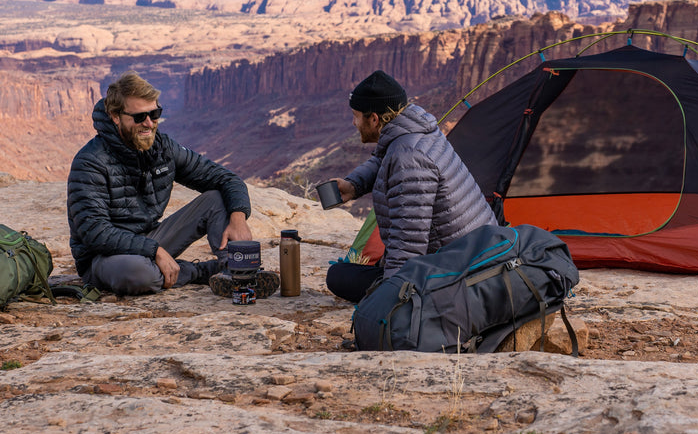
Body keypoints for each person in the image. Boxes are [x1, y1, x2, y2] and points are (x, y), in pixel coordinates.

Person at [67, 70, 278, 297]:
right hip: (105, 257)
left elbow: (226, 178)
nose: (149, 123)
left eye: (155, 114)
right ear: (115, 116)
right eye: (139, 117)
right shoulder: (90, 162)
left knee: (216, 199)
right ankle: (202, 272)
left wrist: (238, 217)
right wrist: (154, 250)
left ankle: (233, 271)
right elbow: (95, 232)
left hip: (149, 241)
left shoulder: (163, 148)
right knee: (141, 275)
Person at [325, 70, 496, 302]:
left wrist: (391, 301)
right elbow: (382, 158)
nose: (353, 123)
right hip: (478, 254)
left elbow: (408, 244)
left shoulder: (408, 159)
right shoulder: (413, 129)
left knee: (338, 276)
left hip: (458, 273)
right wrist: (354, 185)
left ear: (374, 119)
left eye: (356, 116)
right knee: (348, 273)